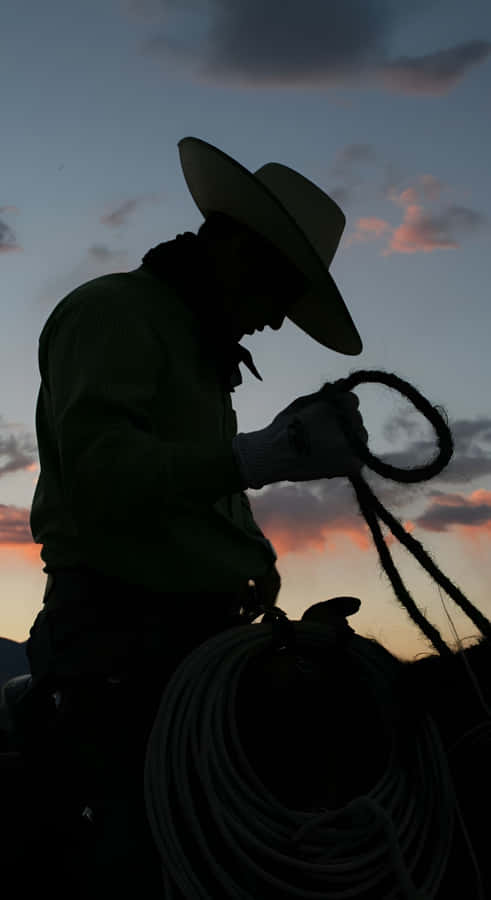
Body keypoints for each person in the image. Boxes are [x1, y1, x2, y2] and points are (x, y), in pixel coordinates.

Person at [24, 136, 368, 896]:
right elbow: (98, 474)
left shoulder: (195, 344)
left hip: (192, 635)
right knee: (145, 855)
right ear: (240, 254)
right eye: (281, 297)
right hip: (121, 639)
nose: (278, 323)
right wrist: (256, 456)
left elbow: (188, 496)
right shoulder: (113, 312)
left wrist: (260, 555)